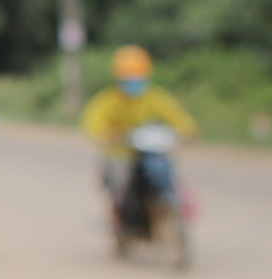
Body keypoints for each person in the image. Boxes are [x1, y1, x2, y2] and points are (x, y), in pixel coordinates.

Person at [79, 46, 197, 227]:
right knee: (118, 182)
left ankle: (170, 203)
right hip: (121, 153)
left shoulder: (155, 98)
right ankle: (120, 217)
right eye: (129, 77)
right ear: (119, 77)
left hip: (150, 152)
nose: (134, 81)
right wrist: (104, 134)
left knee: (164, 171)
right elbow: (93, 121)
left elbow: (177, 117)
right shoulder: (110, 100)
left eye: (138, 76)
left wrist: (187, 130)